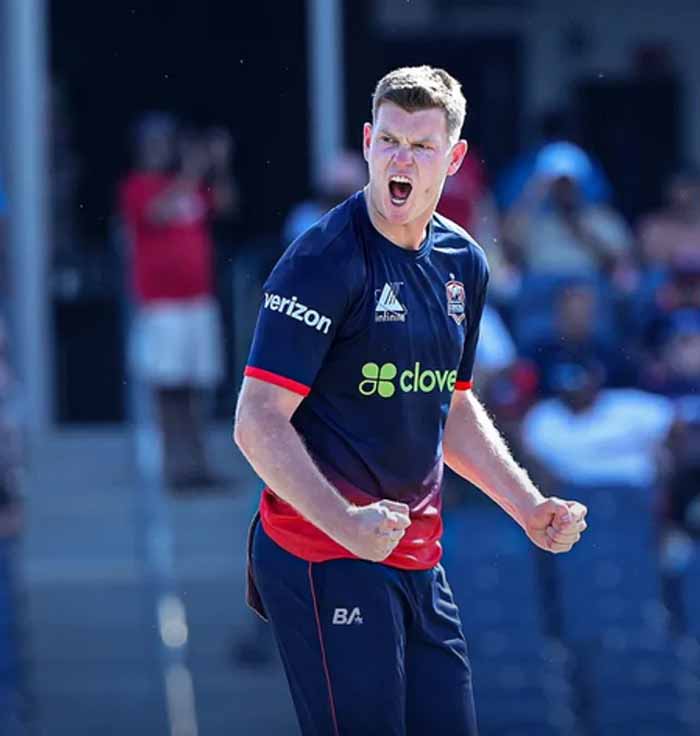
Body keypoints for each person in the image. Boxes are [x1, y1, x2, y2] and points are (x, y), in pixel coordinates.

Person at [234, 66, 588, 736]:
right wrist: (345, 522)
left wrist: (527, 505)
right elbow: (256, 422)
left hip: (418, 558)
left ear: (453, 159)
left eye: (421, 146)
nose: (401, 159)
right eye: (390, 141)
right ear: (368, 143)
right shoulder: (321, 262)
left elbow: (451, 408)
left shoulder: (463, 263)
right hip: (323, 554)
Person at [120, 113, 235, 490]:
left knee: (197, 387)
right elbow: (158, 213)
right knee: (167, 388)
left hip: (197, 300)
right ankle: (173, 467)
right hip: (161, 304)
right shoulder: (137, 186)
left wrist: (219, 166)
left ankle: (198, 465)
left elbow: (226, 205)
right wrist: (193, 170)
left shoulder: (189, 184)